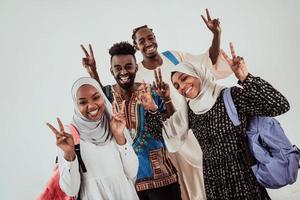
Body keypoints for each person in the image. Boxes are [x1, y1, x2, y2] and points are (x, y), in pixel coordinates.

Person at [163, 43, 290, 200]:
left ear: (197, 73)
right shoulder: (190, 111)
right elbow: (167, 132)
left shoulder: (231, 97)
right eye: (177, 86)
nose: (182, 87)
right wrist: (154, 105)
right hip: (214, 184)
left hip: (244, 181)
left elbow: (279, 106)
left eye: (184, 78)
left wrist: (245, 77)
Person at [131, 9, 232, 200]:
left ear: (155, 38)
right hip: (168, 138)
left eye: (150, 37)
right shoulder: (137, 73)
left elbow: (206, 62)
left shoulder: (173, 57)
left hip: (192, 127)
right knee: (182, 186)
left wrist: (216, 34)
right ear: (136, 46)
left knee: (204, 177)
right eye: (141, 41)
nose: (148, 43)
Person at [80, 42, 182, 200]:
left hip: (163, 180)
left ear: (136, 67)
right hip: (127, 185)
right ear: (111, 70)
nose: (123, 72)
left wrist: (166, 99)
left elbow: (173, 128)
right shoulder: (107, 93)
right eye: (118, 68)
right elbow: (99, 98)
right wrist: (93, 71)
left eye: (128, 66)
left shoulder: (152, 91)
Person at [46, 77, 139, 200]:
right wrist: (69, 154)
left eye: (96, 97)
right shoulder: (69, 135)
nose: (91, 106)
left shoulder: (114, 124)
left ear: (103, 97)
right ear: (76, 104)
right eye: (83, 102)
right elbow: (71, 189)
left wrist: (119, 136)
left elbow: (132, 173)